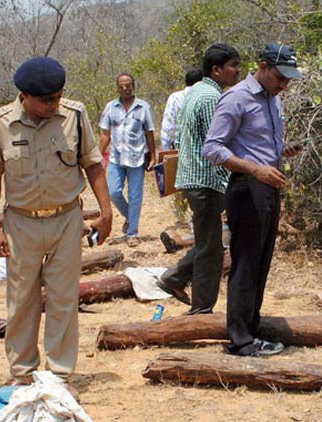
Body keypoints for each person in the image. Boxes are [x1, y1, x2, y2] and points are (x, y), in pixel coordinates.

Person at [0, 56, 112, 399]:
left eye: (57, 97)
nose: (53, 105)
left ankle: (59, 374)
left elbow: (93, 164)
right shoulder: (0, 123)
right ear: (24, 95)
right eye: (46, 100)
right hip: (20, 223)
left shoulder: (75, 115)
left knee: (63, 299)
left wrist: (106, 211)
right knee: (21, 300)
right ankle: (22, 374)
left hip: (67, 219)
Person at [203, 42, 304, 357]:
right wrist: (255, 169)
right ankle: (241, 339)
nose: (284, 85)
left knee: (261, 261)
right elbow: (213, 148)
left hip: (268, 184)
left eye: (289, 79)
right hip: (246, 187)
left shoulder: (273, 101)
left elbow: (260, 144)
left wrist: (282, 151)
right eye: (280, 77)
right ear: (263, 66)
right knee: (246, 262)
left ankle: (252, 328)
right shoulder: (236, 98)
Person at [157, 44, 241, 315]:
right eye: (232, 66)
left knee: (209, 242)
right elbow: (216, 145)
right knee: (211, 248)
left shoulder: (196, 92)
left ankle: (175, 277)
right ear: (217, 70)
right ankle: (201, 309)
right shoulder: (210, 99)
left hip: (195, 178)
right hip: (205, 181)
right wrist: (234, 179)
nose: (237, 71)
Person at [98, 73, 155, 247]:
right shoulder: (111, 107)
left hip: (137, 157)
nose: (125, 88)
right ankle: (130, 218)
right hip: (116, 157)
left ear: (133, 86)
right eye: (122, 86)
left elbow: (149, 133)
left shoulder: (143, 107)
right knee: (114, 192)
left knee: (135, 196)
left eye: (128, 85)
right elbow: (105, 133)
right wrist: (98, 155)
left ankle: (132, 233)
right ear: (117, 88)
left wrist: (153, 156)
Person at [160, 69, 202, 150]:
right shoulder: (207, 97)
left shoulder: (175, 98)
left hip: (179, 148)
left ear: (186, 81)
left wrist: (166, 149)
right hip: (201, 148)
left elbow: (167, 127)